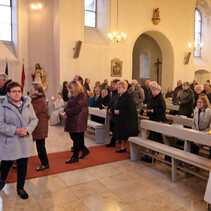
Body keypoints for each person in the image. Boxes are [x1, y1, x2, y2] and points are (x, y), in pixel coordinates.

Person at [0, 82, 38, 199]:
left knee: (23, 164)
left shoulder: (27, 103)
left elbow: (34, 119)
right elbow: (1, 124)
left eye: (19, 91)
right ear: (8, 93)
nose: (17, 94)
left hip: (24, 140)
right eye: (14, 91)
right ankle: (2, 180)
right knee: (7, 163)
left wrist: (26, 130)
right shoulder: (2, 105)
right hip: (10, 140)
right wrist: (15, 130)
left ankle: (20, 188)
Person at [64, 80, 89, 164]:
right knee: (75, 137)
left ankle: (75, 157)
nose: (70, 90)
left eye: (71, 88)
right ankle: (84, 150)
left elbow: (77, 108)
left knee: (77, 139)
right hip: (74, 119)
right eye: (69, 88)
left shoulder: (82, 95)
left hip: (79, 120)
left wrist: (67, 113)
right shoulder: (73, 95)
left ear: (75, 87)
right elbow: (69, 105)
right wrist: (65, 111)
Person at [114, 81, 139, 153]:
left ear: (124, 88)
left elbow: (129, 109)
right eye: (117, 87)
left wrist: (120, 112)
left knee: (126, 134)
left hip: (129, 121)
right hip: (123, 119)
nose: (118, 89)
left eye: (119, 87)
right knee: (122, 134)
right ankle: (123, 147)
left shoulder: (128, 96)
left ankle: (131, 150)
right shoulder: (121, 96)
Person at [30, 82, 49, 171]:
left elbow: (33, 111)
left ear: (36, 90)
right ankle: (20, 162)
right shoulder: (36, 98)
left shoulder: (38, 99)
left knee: (40, 146)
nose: (30, 90)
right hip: (37, 126)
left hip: (39, 127)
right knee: (26, 144)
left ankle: (45, 164)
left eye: (32, 89)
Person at [106, 79, 120, 147]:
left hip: (116, 113)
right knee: (112, 127)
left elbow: (116, 103)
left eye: (115, 84)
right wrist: (108, 108)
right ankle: (113, 140)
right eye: (113, 84)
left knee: (115, 128)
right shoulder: (113, 92)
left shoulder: (118, 93)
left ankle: (113, 141)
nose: (113, 85)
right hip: (112, 113)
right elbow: (111, 101)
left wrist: (111, 109)